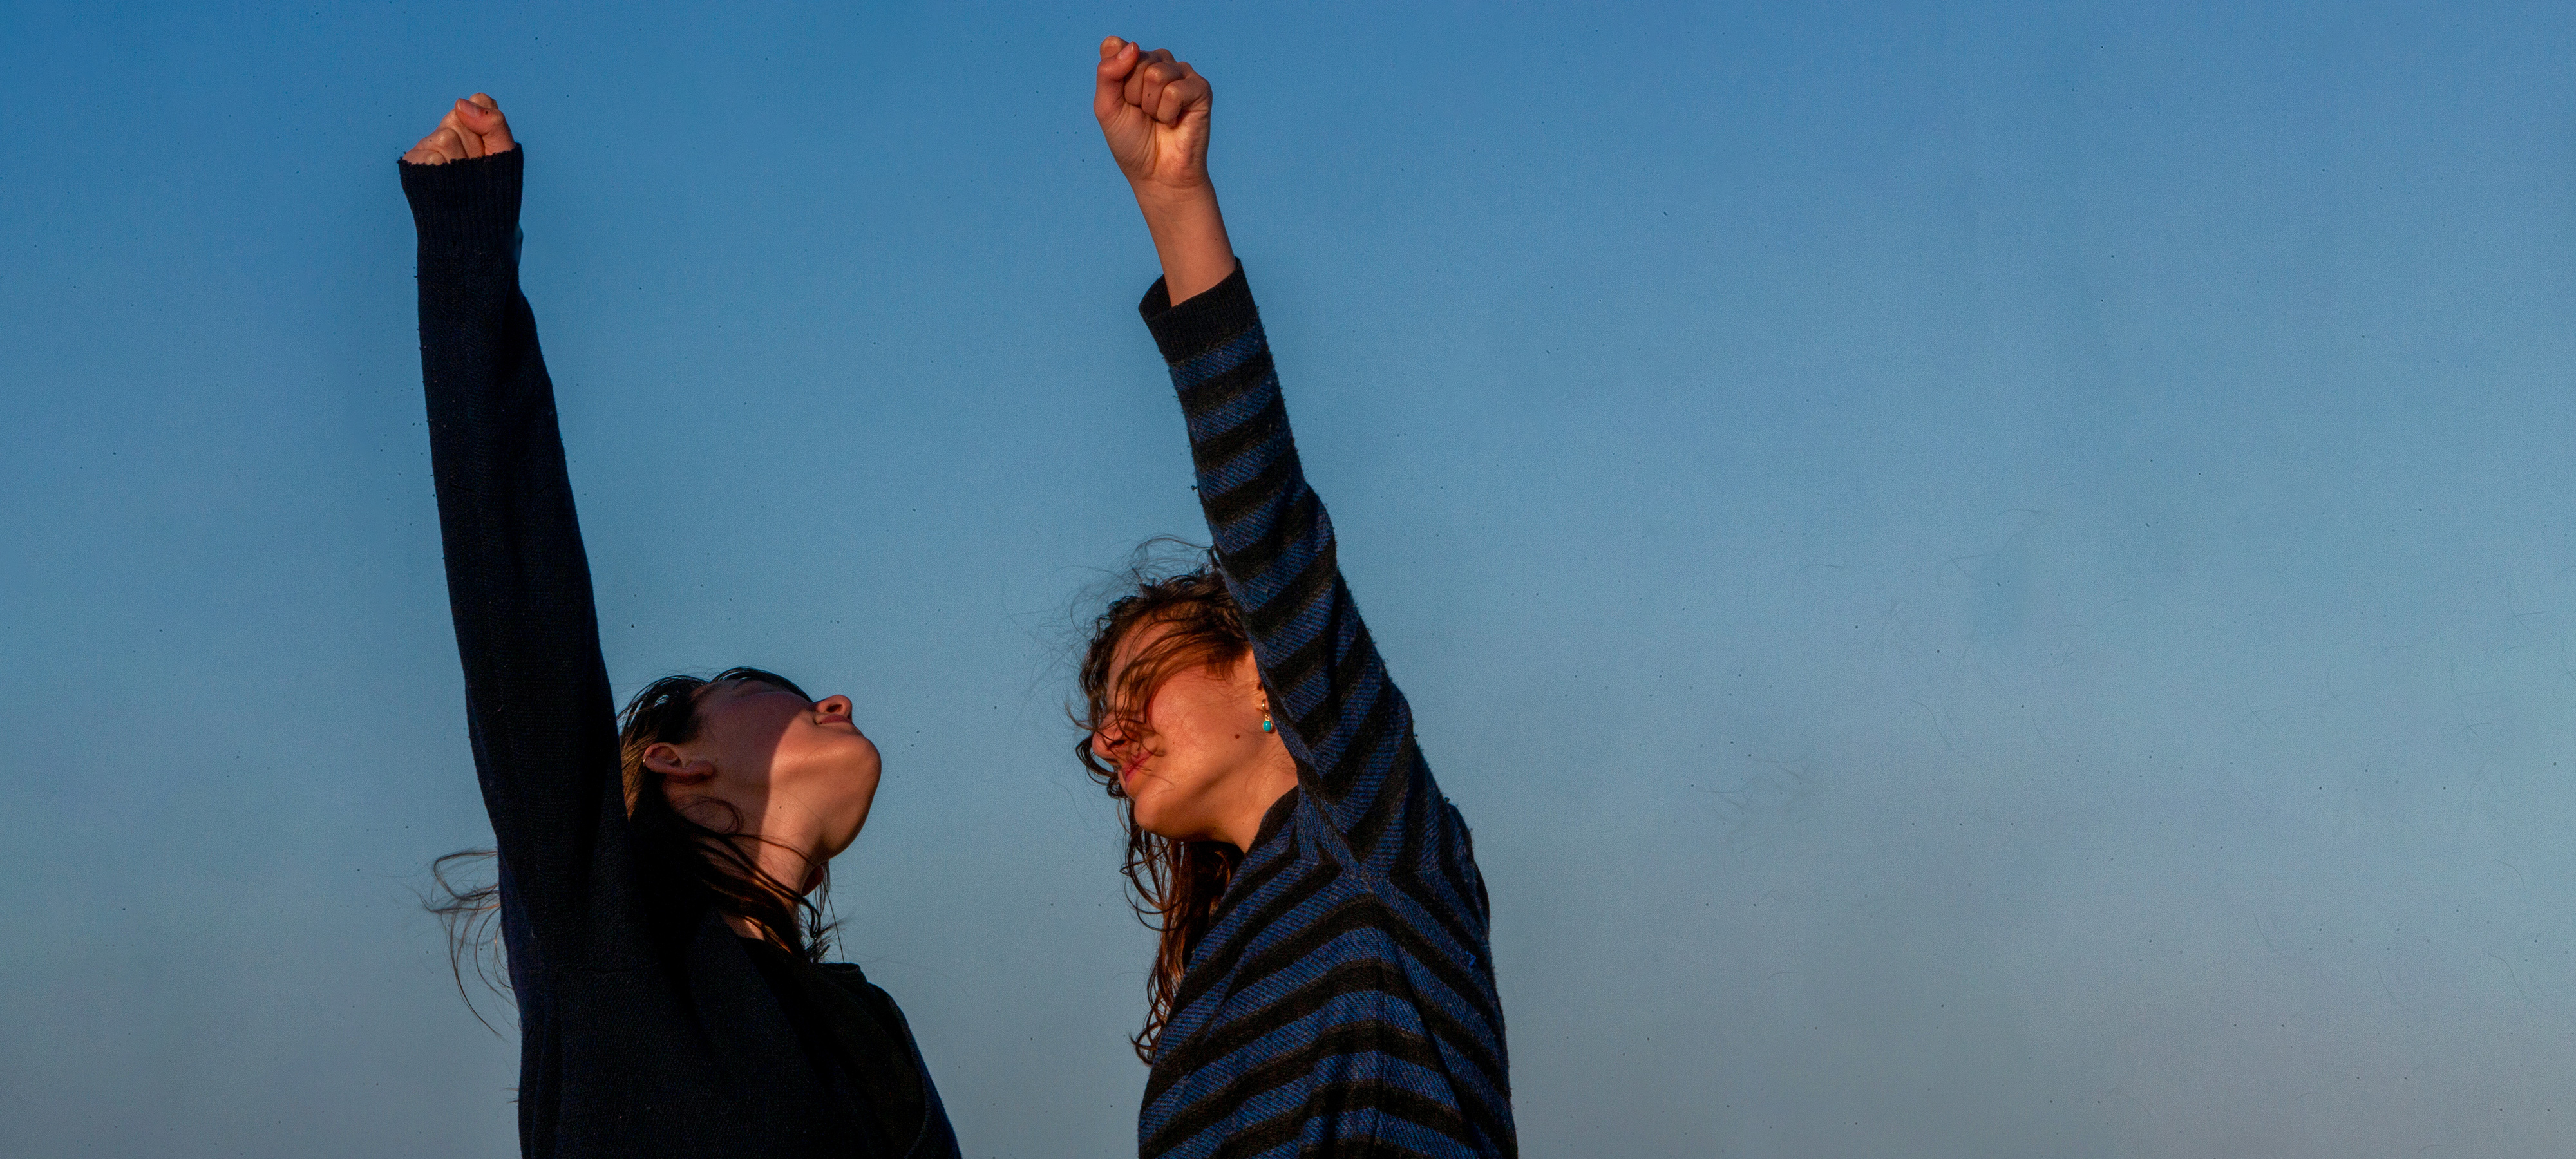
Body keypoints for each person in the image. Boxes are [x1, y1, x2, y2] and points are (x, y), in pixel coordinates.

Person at [398, 95, 960, 1159]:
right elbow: (521, 608)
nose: (835, 700)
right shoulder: (607, 942)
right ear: (673, 760)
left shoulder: (869, 1033)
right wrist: (469, 255)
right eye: (777, 693)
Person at [1077, 39, 1518, 1158]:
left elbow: (1261, 505)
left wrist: (1175, 202)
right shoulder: (1213, 983)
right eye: (1104, 711)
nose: (1109, 731)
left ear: (1267, 669)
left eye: (1142, 682)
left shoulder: (1365, 833)